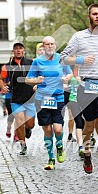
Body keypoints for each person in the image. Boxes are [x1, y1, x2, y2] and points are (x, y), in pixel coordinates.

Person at [60, 3, 98, 182]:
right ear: (89, 16)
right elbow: (62, 58)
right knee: (89, 126)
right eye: (95, 14)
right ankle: (87, 152)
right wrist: (81, 59)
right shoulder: (78, 37)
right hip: (86, 87)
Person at [25, 36, 72, 170]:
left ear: (55, 46)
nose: (50, 46)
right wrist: (37, 81)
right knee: (47, 130)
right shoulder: (37, 62)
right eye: (47, 44)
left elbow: (69, 74)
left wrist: (65, 78)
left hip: (58, 97)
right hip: (42, 99)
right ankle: (51, 158)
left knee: (57, 129)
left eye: (52, 44)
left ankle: (59, 146)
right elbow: (28, 80)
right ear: (43, 47)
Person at [0, 42, 36, 155]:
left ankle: (28, 129)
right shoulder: (7, 65)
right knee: (19, 122)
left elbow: (38, 75)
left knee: (30, 124)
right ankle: (23, 145)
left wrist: (37, 84)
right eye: (16, 49)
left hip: (30, 99)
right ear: (13, 51)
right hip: (16, 99)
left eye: (20, 48)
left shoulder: (31, 63)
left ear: (23, 50)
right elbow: (1, 79)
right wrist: (2, 87)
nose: (18, 50)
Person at [66, 66, 84, 158]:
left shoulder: (87, 72)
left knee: (87, 122)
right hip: (73, 100)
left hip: (85, 100)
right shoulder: (69, 72)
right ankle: (81, 146)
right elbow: (65, 85)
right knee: (78, 121)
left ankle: (89, 139)